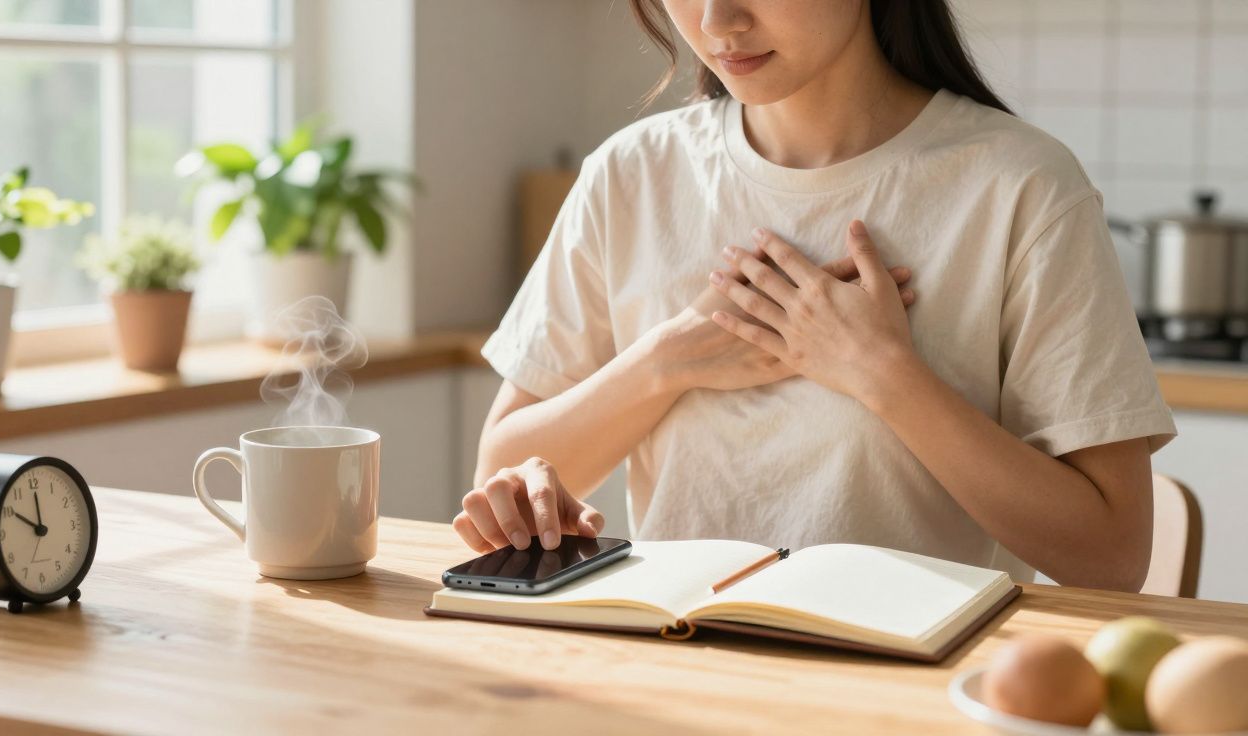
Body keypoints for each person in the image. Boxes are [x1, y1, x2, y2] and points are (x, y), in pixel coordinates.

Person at [454, 0, 1176, 592]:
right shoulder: (630, 175)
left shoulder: (1023, 187)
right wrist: (664, 362)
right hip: (675, 678)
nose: (717, 19)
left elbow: (1112, 557)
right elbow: (503, 476)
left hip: (915, 693)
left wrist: (883, 374)